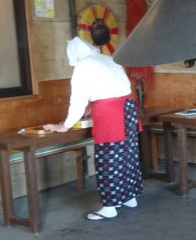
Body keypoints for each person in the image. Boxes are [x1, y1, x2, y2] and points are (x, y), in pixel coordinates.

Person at [44, 37, 144, 220]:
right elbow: (116, 87)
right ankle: (130, 197)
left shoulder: (83, 65)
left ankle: (109, 207)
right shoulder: (109, 58)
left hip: (110, 113)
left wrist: (65, 125)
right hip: (127, 109)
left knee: (109, 157)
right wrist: (92, 104)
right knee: (127, 153)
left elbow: (78, 99)